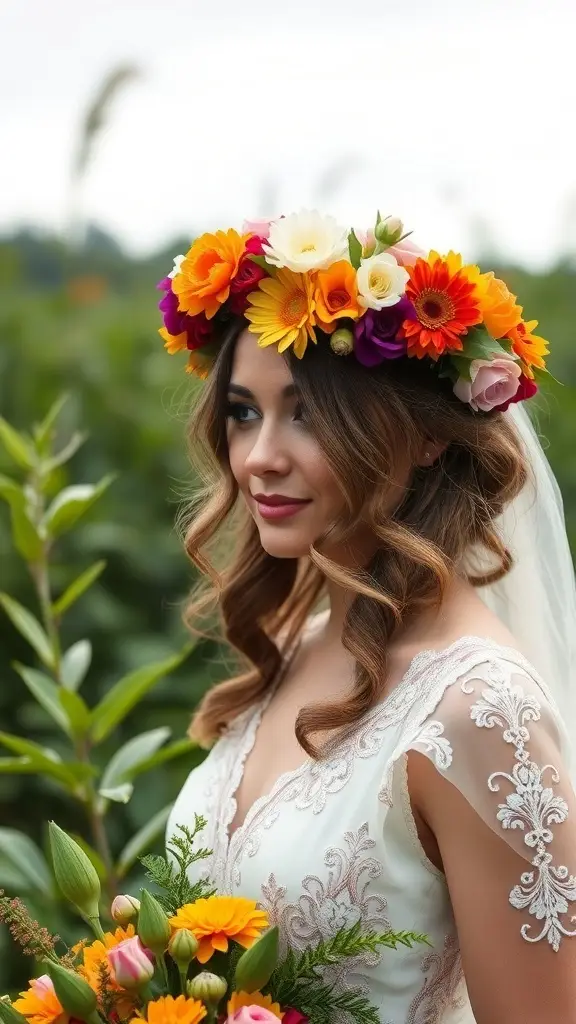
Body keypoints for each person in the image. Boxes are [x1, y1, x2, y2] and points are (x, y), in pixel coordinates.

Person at [160, 210, 576, 1023]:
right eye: (244, 412)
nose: (258, 457)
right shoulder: (292, 648)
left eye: (307, 413)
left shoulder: (477, 708)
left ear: (427, 437)